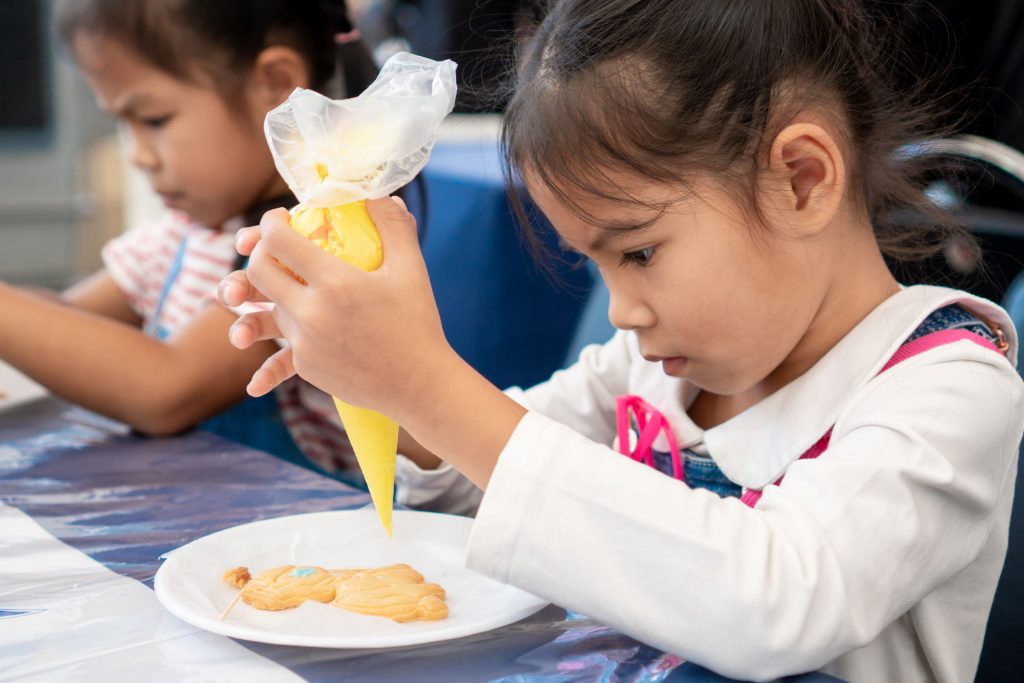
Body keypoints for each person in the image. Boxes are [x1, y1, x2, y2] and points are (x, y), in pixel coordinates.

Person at [218, 1, 1024, 680]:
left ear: (802, 179)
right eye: (597, 265)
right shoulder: (648, 369)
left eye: (637, 252)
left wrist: (423, 382)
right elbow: (484, 484)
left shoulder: (947, 386)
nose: (620, 312)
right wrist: (372, 379)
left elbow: (779, 598)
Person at [0, 0, 378, 479]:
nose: (136, 155)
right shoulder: (184, 235)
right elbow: (62, 321)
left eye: (154, 120)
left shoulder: (319, 245)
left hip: (305, 534)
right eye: (122, 123)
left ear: (277, 83)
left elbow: (167, 388)